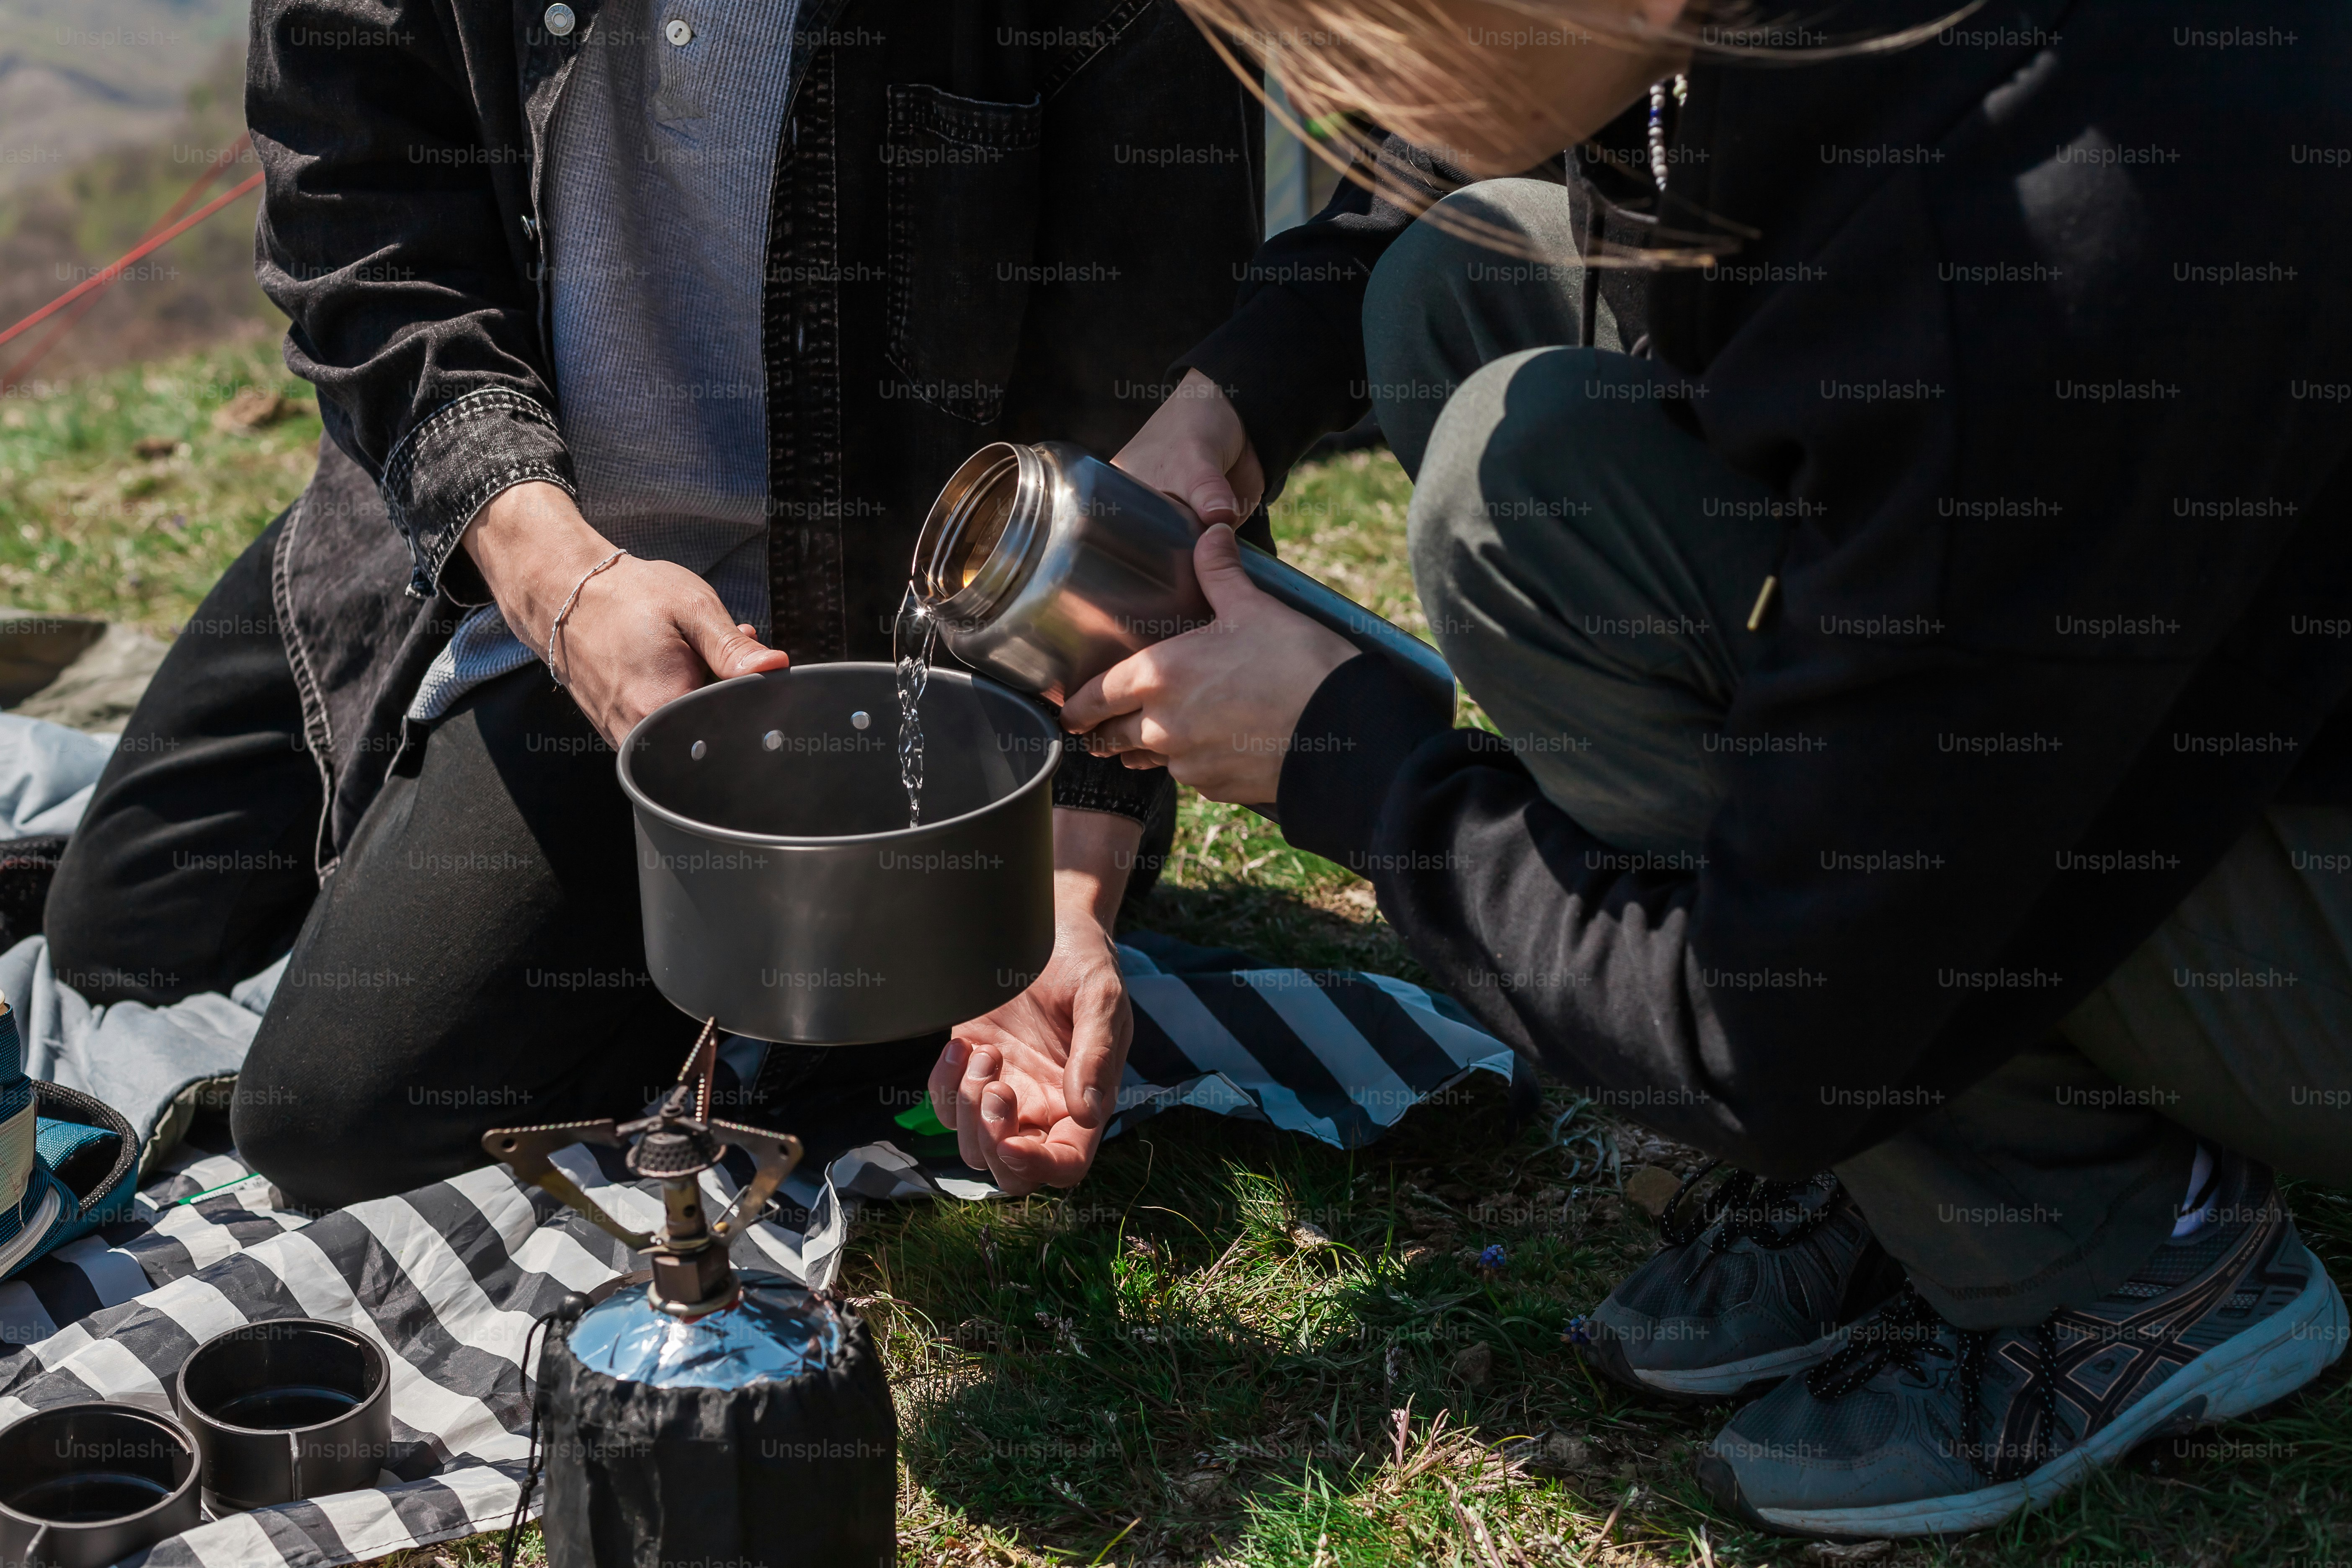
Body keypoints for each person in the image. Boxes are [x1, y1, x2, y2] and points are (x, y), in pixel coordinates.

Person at [1056, 0, 2352, 1539]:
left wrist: (1342, 760)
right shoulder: (1782, 50)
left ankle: (2127, 1253)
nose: (1320, 80)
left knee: (1517, 495)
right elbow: (1478, 132)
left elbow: (1761, 1033)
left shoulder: (2021, 236)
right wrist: (1240, 389)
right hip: (2188, 664)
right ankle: (1915, 1162)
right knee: (1458, 284)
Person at [38, 0, 1303, 1208]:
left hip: (844, 638)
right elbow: (357, 232)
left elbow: (1134, 410)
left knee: (335, 1117)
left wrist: (1055, 898)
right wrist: (549, 569)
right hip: (495, 519)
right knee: (119, 933)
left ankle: (784, 962)